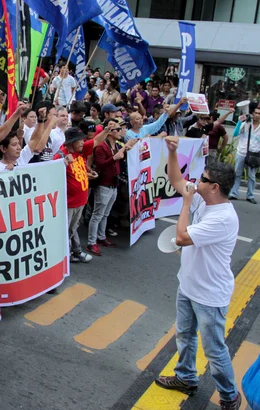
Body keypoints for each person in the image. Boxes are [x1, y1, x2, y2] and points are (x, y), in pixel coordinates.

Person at [155, 136, 241, 410]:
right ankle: (185, 377)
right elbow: (176, 180)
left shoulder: (223, 218)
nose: (197, 182)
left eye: (202, 179)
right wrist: (172, 152)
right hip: (189, 285)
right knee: (184, 335)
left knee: (215, 351)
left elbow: (180, 238)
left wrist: (184, 204)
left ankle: (229, 397)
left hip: (209, 295)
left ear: (214, 187)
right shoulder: (205, 200)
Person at [57, 126, 108, 263]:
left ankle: (73, 253)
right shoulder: (61, 156)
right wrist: (62, 163)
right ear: (71, 142)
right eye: (80, 140)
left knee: (72, 229)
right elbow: (54, 177)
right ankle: (64, 258)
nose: (82, 143)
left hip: (80, 201)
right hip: (69, 203)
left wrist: (87, 174)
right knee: (65, 231)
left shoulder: (80, 153)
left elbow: (96, 141)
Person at [87, 119, 137, 256]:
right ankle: (91, 242)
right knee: (97, 215)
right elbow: (100, 164)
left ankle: (101, 237)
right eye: (118, 130)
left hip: (113, 184)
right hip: (104, 184)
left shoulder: (114, 145)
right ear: (110, 132)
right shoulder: (102, 147)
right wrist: (115, 158)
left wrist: (125, 150)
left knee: (105, 214)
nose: (121, 132)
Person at [0, 108, 55, 173]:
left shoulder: (22, 157)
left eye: (18, 143)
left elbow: (34, 140)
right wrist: (5, 172)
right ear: (3, 148)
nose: (19, 147)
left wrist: (41, 120)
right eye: (14, 145)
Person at [228, 106, 260, 203]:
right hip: (241, 152)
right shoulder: (245, 124)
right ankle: (233, 193)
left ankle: (250, 195)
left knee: (252, 176)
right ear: (252, 114)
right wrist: (239, 122)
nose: (257, 115)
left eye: (259, 114)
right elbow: (235, 134)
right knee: (237, 173)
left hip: (254, 154)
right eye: (256, 113)